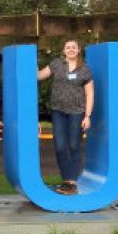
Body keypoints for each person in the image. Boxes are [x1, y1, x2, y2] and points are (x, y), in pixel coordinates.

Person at [37, 39, 94, 195]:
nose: (70, 49)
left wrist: (87, 116)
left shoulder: (85, 69)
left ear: (78, 50)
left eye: (73, 47)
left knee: (74, 146)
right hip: (58, 111)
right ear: (63, 51)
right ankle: (67, 181)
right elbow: (39, 76)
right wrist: (30, 62)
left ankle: (71, 183)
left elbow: (90, 93)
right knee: (60, 146)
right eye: (67, 47)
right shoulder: (56, 64)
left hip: (77, 112)